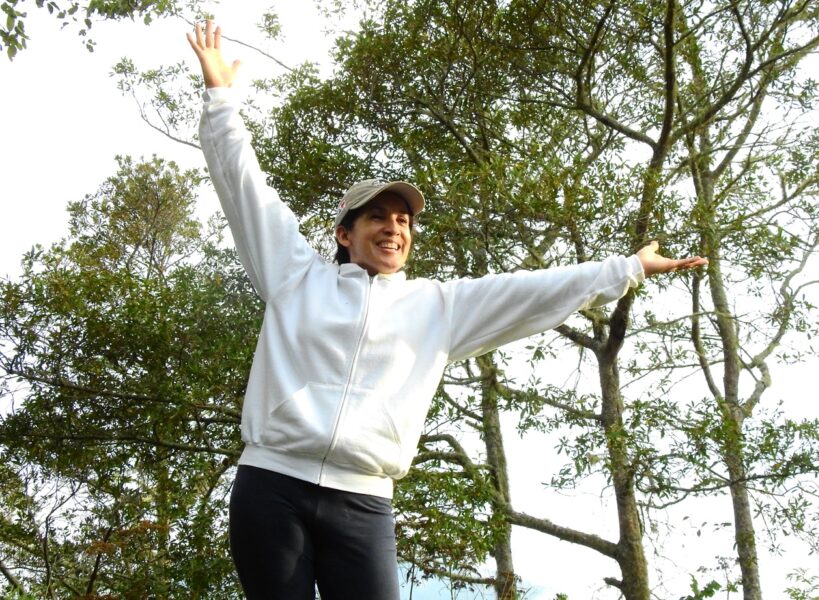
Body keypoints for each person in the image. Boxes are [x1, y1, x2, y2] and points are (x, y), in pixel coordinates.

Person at [187, 20, 707, 600]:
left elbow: (533, 291)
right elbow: (245, 188)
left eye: (403, 220)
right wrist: (221, 99)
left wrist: (628, 268)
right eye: (377, 217)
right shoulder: (294, 276)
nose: (393, 227)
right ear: (344, 233)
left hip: (364, 501)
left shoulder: (438, 306)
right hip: (273, 485)